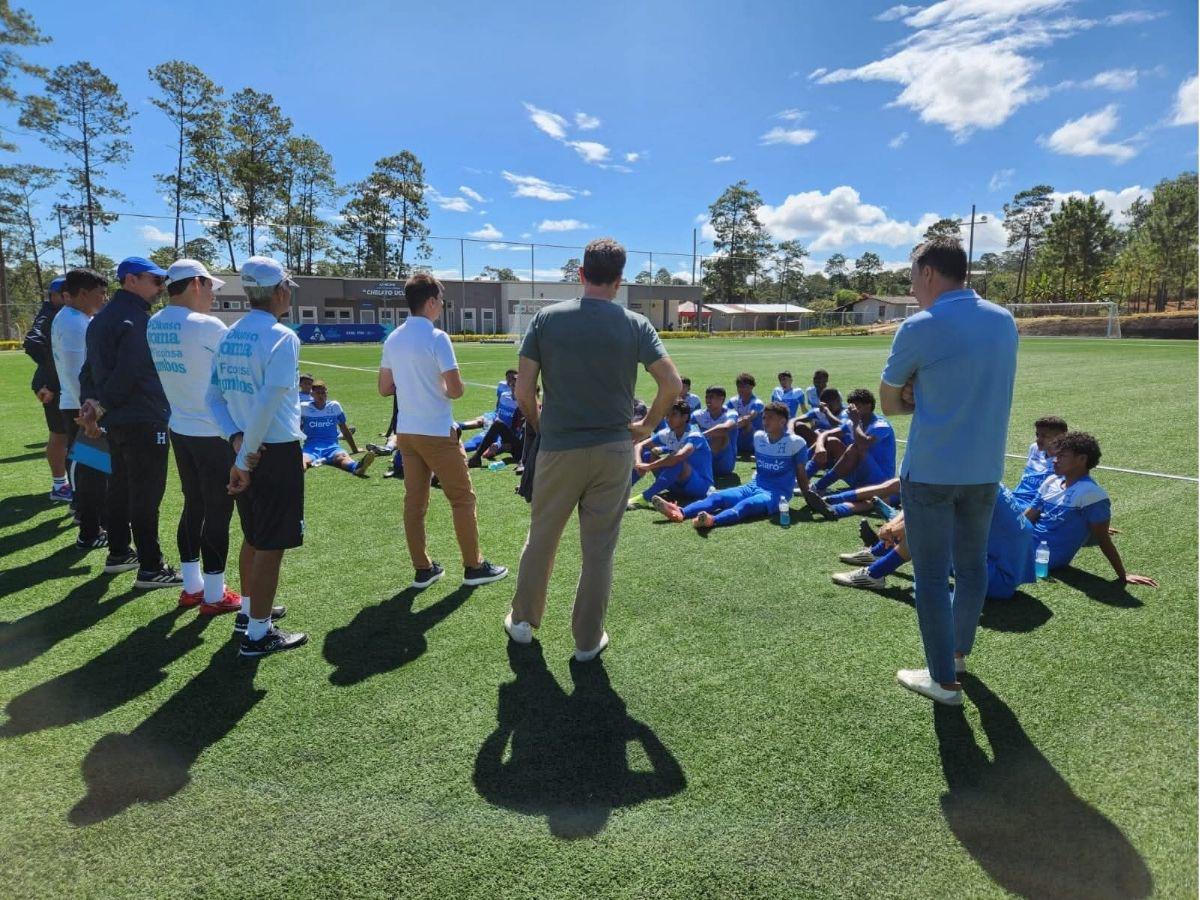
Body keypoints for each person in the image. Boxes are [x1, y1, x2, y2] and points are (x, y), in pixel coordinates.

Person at [503, 237, 680, 661]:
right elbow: (672, 385)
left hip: (559, 448)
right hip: (614, 450)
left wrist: (542, 425)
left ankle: (524, 621)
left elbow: (523, 392)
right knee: (598, 550)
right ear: (619, 281)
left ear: (580, 275)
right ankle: (586, 641)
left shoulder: (546, 319)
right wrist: (646, 426)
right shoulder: (635, 325)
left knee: (542, 538)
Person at [879, 237, 1018, 706]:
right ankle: (957, 657)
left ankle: (943, 680)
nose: (912, 285)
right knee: (972, 568)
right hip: (985, 470)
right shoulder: (1004, 321)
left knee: (933, 576)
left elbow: (889, 403)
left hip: (933, 471)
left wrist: (917, 393)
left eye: (912, 275)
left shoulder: (919, 326)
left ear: (929, 273)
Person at [379, 273, 508, 590]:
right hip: (436, 431)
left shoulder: (394, 338)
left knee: (415, 503)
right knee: (462, 499)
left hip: (407, 433)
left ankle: (424, 569)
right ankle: (474, 566)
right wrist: (435, 384)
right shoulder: (437, 338)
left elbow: (384, 388)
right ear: (432, 301)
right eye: (441, 300)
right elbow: (456, 390)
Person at [207, 256, 306, 656]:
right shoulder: (282, 336)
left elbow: (212, 398)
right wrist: (245, 457)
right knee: (270, 545)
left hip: (245, 445)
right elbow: (268, 402)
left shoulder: (230, 334)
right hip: (273, 451)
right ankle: (259, 634)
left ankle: (250, 613)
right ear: (280, 290)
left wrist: (236, 440)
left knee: (253, 535)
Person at [77, 256, 183, 590]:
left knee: (121, 488)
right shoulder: (134, 319)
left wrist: (92, 403)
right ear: (131, 280)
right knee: (146, 495)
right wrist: (101, 405)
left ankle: (120, 552)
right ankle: (151, 567)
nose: (160, 287)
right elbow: (131, 370)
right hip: (141, 416)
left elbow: (88, 372)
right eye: (155, 280)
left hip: (119, 420)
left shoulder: (100, 319)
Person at [147, 259, 244, 617]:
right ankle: (215, 593)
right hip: (213, 431)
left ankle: (192, 587)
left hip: (181, 427)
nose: (213, 299)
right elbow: (235, 374)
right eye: (211, 290)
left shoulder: (155, 323)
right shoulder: (207, 326)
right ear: (196, 284)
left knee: (193, 505)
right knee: (219, 511)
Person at [1025, 431, 1156, 587]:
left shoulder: (1091, 494)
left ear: (1082, 459)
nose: (1055, 461)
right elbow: (1027, 519)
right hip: (1023, 544)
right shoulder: (1051, 481)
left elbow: (1103, 539)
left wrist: (1123, 575)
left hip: (1041, 558)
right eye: (1056, 456)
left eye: (1062, 456)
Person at [653, 402, 808, 529]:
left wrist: (809, 497)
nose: (765, 421)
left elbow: (801, 474)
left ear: (782, 421)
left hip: (776, 493)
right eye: (764, 417)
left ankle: (712, 520)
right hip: (753, 486)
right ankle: (680, 512)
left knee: (746, 505)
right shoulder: (759, 437)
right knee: (717, 497)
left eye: (770, 418)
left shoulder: (796, 443)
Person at [52, 269, 109, 549]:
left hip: (79, 403)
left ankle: (92, 519)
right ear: (83, 293)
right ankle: (89, 524)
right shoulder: (75, 323)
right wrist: (89, 413)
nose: (104, 298)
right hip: (81, 406)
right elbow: (77, 372)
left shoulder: (74, 318)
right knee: (89, 468)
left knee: (91, 467)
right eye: (100, 293)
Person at [804, 387, 896, 508]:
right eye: (851, 406)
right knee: (831, 441)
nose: (851, 410)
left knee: (855, 448)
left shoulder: (880, 425)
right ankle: (802, 479)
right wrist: (820, 447)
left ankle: (819, 487)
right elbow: (827, 434)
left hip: (880, 480)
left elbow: (863, 444)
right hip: (860, 474)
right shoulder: (854, 422)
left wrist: (856, 422)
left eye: (857, 406)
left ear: (868, 406)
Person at [24, 276, 71, 501]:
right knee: (63, 436)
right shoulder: (51, 315)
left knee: (64, 435)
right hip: (53, 386)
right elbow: (32, 342)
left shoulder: (57, 314)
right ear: (56, 296)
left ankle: (65, 485)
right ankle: (62, 486)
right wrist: (50, 375)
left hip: (56, 384)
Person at [629, 399, 714, 508]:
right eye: (667, 415)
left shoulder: (694, 435)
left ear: (685, 417)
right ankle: (621, 491)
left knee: (678, 462)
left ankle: (644, 498)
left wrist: (649, 466)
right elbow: (639, 445)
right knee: (647, 454)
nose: (668, 419)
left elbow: (679, 457)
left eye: (673, 415)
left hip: (699, 487)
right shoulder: (668, 432)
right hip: (674, 487)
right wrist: (639, 464)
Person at [301, 380, 375, 476]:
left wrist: (355, 449)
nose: (321, 396)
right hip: (310, 448)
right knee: (301, 461)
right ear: (312, 394)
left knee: (343, 457)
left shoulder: (334, 406)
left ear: (327, 393)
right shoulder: (304, 408)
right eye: (318, 393)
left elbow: (344, 429)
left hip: (332, 447)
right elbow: (296, 428)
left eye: (323, 393)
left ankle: (358, 468)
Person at [1012, 415, 1068, 504]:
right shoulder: (1034, 448)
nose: (1038, 440)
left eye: (1044, 436)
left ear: (1060, 437)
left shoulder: (1066, 459)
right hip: (1015, 498)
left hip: (1034, 506)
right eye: (1037, 435)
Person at [692, 386, 738, 477]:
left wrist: (702, 435)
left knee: (720, 435)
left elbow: (726, 428)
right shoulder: (698, 414)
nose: (708, 400)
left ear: (722, 399)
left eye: (711, 397)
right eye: (707, 397)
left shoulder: (731, 413)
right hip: (705, 457)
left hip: (724, 462)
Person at [727, 372, 765, 457]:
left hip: (753, 440)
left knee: (747, 421)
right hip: (738, 439)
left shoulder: (757, 403)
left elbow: (749, 417)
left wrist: (728, 427)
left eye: (743, 387)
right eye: (738, 387)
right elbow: (722, 413)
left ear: (751, 387)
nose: (740, 389)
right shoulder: (733, 401)